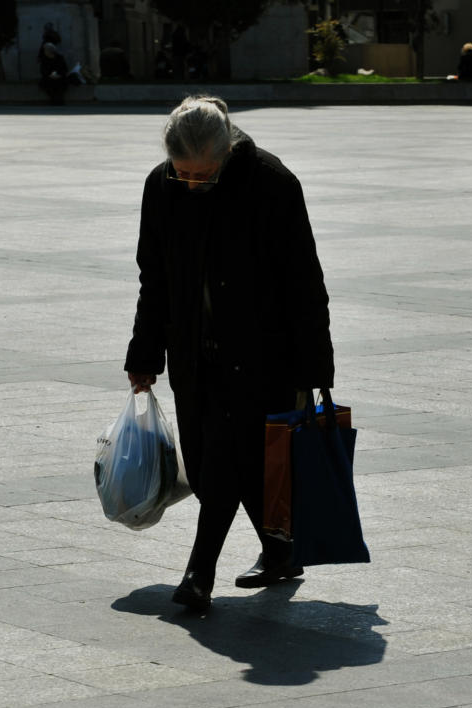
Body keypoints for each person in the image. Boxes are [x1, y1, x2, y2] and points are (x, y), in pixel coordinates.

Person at [123, 96, 335, 612]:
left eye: (204, 175)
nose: (192, 184)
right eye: (184, 174)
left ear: (226, 153)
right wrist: (144, 353)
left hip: (264, 354)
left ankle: (200, 572)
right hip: (194, 353)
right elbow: (155, 277)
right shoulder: (161, 186)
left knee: (227, 464)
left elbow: (304, 282)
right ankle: (280, 547)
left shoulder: (272, 184)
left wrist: (313, 369)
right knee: (212, 459)